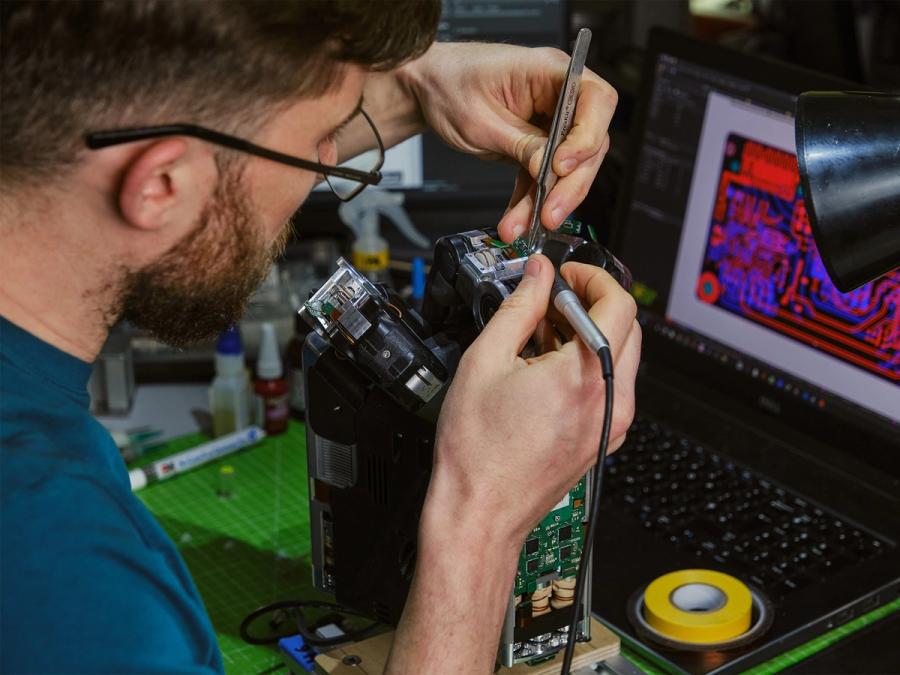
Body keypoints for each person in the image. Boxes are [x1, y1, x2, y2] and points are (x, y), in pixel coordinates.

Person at [0, 2, 640, 673]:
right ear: (160, 184)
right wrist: (482, 516)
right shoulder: (78, 593)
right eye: (320, 141)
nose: (329, 162)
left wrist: (415, 87)